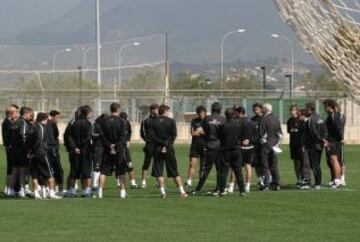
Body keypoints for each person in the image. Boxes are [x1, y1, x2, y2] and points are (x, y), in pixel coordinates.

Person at [151, 104, 188, 198]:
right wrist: (166, 144)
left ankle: (163, 192)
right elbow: (174, 135)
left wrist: (162, 144)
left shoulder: (153, 122)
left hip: (157, 148)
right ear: (165, 111)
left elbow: (152, 137)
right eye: (168, 111)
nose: (169, 113)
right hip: (169, 148)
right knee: (173, 170)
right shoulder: (171, 121)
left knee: (159, 171)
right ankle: (182, 192)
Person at [193, 102, 225, 195]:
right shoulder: (223, 119)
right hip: (219, 146)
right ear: (220, 109)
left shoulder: (207, 119)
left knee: (206, 168)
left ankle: (198, 188)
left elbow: (203, 131)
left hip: (209, 146)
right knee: (219, 168)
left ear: (212, 109)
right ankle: (218, 188)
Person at [98, 103, 127, 199]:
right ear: (118, 109)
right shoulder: (122, 121)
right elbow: (123, 137)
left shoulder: (104, 121)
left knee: (103, 171)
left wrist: (110, 145)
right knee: (121, 171)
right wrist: (115, 146)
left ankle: (100, 192)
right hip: (118, 149)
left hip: (107, 149)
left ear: (111, 109)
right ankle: (122, 192)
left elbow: (102, 136)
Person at [29, 112, 61, 199]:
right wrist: (37, 150)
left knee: (35, 174)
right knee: (49, 174)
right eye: (46, 119)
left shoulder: (33, 127)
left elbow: (29, 141)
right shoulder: (41, 127)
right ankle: (51, 193)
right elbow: (39, 140)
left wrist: (31, 152)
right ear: (43, 119)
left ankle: (36, 193)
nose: (47, 122)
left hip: (33, 154)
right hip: (41, 153)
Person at [66, 105, 94, 198]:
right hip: (85, 151)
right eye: (90, 113)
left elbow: (68, 136)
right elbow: (88, 137)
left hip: (74, 151)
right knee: (87, 172)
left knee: (73, 171)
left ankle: (71, 191)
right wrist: (80, 147)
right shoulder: (88, 123)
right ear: (87, 113)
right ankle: (87, 191)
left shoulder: (72, 122)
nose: (90, 114)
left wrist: (74, 147)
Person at [218, 108, 246, 197]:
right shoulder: (238, 125)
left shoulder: (223, 125)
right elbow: (241, 137)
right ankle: (242, 190)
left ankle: (222, 190)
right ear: (233, 114)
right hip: (237, 150)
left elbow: (220, 137)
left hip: (226, 150)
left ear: (225, 115)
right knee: (238, 171)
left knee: (224, 170)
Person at [8, 107, 33, 198]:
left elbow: (9, 136)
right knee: (23, 171)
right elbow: (23, 137)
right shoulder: (23, 123)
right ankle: (22, 191)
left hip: (13, 150)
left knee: (14, 171)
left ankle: (10, 191)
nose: (30, 116)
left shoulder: (15, 123)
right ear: (25, 113)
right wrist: (28, 150)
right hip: (21, 151)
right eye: (30, 114)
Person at [259, 103, 283, 191]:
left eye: (262, 108)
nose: (261, 110)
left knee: (265, 165)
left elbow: (262, 134)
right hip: (274, 145)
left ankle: (266, 184)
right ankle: (276, 183)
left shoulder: (264, 119)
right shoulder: (276, 119)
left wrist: (263, 142)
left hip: (266, 145)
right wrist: (277, 144)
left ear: (265, 109)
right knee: (274, 165)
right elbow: (280, 134)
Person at [304, 102, 327, 190]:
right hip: (319, 144)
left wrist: (320, 139)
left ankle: (318, 183)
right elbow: (324, 129)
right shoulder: (319, 117)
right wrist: (324, 139)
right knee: (316, 164)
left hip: (314, 144)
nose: (305, 110)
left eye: (306, 108)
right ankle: (317, 182)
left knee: (315, 164)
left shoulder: (311, 119)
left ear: (310, 109)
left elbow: (313, 132)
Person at [185, 105, 207, 188]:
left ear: (205, 112)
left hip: (205, 145)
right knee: (192, 164)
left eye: (202, 113)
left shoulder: (207, 121)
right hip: (195, 146)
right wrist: (201, 132)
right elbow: (192, 133)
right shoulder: (194, 121)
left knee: (203, 165)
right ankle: (189, 182)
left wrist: (199, 132)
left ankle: (201, 182)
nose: (201, 114)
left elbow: (208, 133)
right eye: (199, 113)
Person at [323, 99, 343, 188]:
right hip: (331, 141)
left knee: (334, 160)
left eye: (325, 106)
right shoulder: (330, 115)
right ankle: (334, 179)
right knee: (331, 161)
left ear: (329, 107)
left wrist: (340, 138)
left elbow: (338, 128)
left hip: (333, 141)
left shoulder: (334, 116)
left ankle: (338, 180)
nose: (324, 108)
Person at [140, 103, 159, 188]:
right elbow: (142, 133)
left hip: (158, 144)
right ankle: (143, 182)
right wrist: (147, 140)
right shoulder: (145, 120)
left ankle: (158, 182)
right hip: (149, 145)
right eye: (156, 109)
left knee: (157, 163)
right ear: (152, 110)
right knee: (146, 163)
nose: (158, 110)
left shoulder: (160, 119)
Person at [2, 105, 19, 196]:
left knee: (13, 169)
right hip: (11, 149)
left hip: (12, 148)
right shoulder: (7, 123)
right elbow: (9, 137)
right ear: (11, 113)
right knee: (12, 169)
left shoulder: (9, 122)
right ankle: (9, 189)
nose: (17, 114)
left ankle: (10, 188)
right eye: (15, 112)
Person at [45, 110, 64, 195]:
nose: (58, 119)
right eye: (57, 117)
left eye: (59, 117)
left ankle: (49, 188)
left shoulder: (47, 124)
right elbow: (56, 135)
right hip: (52, 149)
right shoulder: (52, 124)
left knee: (50, 169)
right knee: (57, 170)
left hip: (47, 149)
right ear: (52, 117)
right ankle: (57, 189)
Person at [120, 112, 139, 189]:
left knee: (129, 164)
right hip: (119, 146)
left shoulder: (127, 123)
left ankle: (133, 183)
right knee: (120, 165)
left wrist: (128, 140)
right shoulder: (118, 123)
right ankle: (120, 183)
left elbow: (129, 132)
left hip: (125, 147)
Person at [287, 104, 302, 186]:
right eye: (290, 110)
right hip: (293, 144)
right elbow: (290, 131)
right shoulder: (289, 121)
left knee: (301, 163)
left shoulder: (300, 120)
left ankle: (304, 178)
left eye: (293, 110)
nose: (291, 112)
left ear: (296, 110)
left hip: (300, 144)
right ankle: (299, 179)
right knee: (295, 163)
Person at [91, 113, 108, 191]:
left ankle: (100, 184)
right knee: (97, 166)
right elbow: (92, 134)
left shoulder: (106, 125)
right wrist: (100, 135)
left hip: (105, 147)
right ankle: (94, 184)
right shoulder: (96, 125)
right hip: (97, 147)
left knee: (103, 167)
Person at [298, 109, 312, 189]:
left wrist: (304, 144)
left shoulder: (307, 123)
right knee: (302, 162)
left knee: (305, 163)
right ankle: (304, 179)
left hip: (306, 146)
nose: (298, 117)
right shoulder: (302, 123)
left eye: (300, 115)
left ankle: (307, 181)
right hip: (302, 145)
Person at [251, 103, 264, 188]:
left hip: (263, 144)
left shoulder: (264, 119)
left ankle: (265, 179)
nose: (255, 111)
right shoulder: (252, 120)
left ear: (261, 109)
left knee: (264, 163)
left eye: (257, 109)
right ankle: (260, 180)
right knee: (256, 164)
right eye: (254, 109)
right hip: (255, 145)